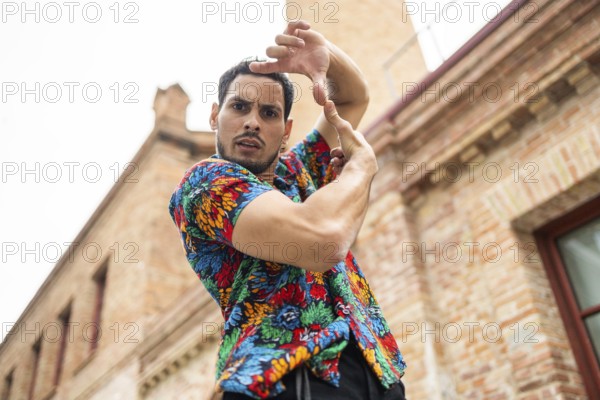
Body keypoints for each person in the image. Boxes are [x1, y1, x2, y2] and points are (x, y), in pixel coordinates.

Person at [168, 20, 406, 400]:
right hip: (288, 375)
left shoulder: (296, 169)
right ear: (215, 116)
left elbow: (353, 98)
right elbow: (321, 243)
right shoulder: (205, 183)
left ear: (285, 130)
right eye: (239, 107)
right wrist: (361, 171)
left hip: (378, 369)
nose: (252, 121)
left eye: (268, 113)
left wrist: (326, 54)